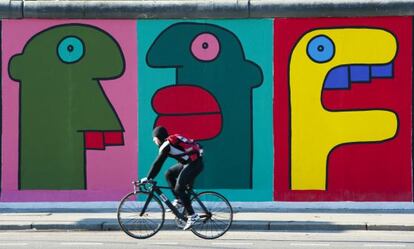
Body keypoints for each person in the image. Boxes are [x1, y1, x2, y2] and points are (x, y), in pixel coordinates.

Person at [141, 126, 204, 230]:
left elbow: (158, 163)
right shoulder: (169, 142)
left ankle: (192, 216)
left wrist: (148, 177)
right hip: (188, 163)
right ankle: (179, 200)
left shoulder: (166, 145)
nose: (154, 142)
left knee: (179, 188)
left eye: (154, 139)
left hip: (194, 164)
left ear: (158, 138)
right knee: (169, 174)